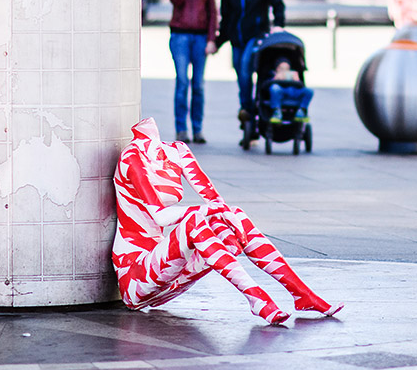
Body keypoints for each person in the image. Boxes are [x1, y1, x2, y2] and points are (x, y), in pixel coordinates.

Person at [111, 117, 342, 324]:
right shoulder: (131, 157)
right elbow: (159, 215)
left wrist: (230, 216)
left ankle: (302, 294)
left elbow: (213, 199)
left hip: (169, 279)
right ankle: (257, 299)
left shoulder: (177, 151)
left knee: (234, 217)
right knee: (194, 221)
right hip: (136, 277)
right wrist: (208, 210)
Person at [217, 0, 284, 122]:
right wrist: (218, 41)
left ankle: (252, 108)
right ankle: (247, 110)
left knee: (248, 69)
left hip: (257, 36)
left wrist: (278, 25)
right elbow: (226, 15)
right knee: (241, 77)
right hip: (237, 39)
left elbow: (277, 4)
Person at [167, 0, 217, 144]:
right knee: (182, 82)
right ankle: (181, 129)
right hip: (179, 36)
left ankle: (197, 128)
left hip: (200, 37)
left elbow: (213, 11)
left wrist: (212, 39)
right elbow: (175, 0)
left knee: (198, 85)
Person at [266, 58, 313, 123]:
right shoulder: (273, 75)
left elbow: (301, 86)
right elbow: (265, 87)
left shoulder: (293, 75)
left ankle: (301, 110)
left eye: (287, 69)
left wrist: (297, 80)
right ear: (277, 69)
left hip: (293, 92)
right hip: (281, 93)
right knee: (275, 88)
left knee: (309, 91)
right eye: (282, 68)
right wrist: (275, 79)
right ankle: (277, 112)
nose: (284, 70)